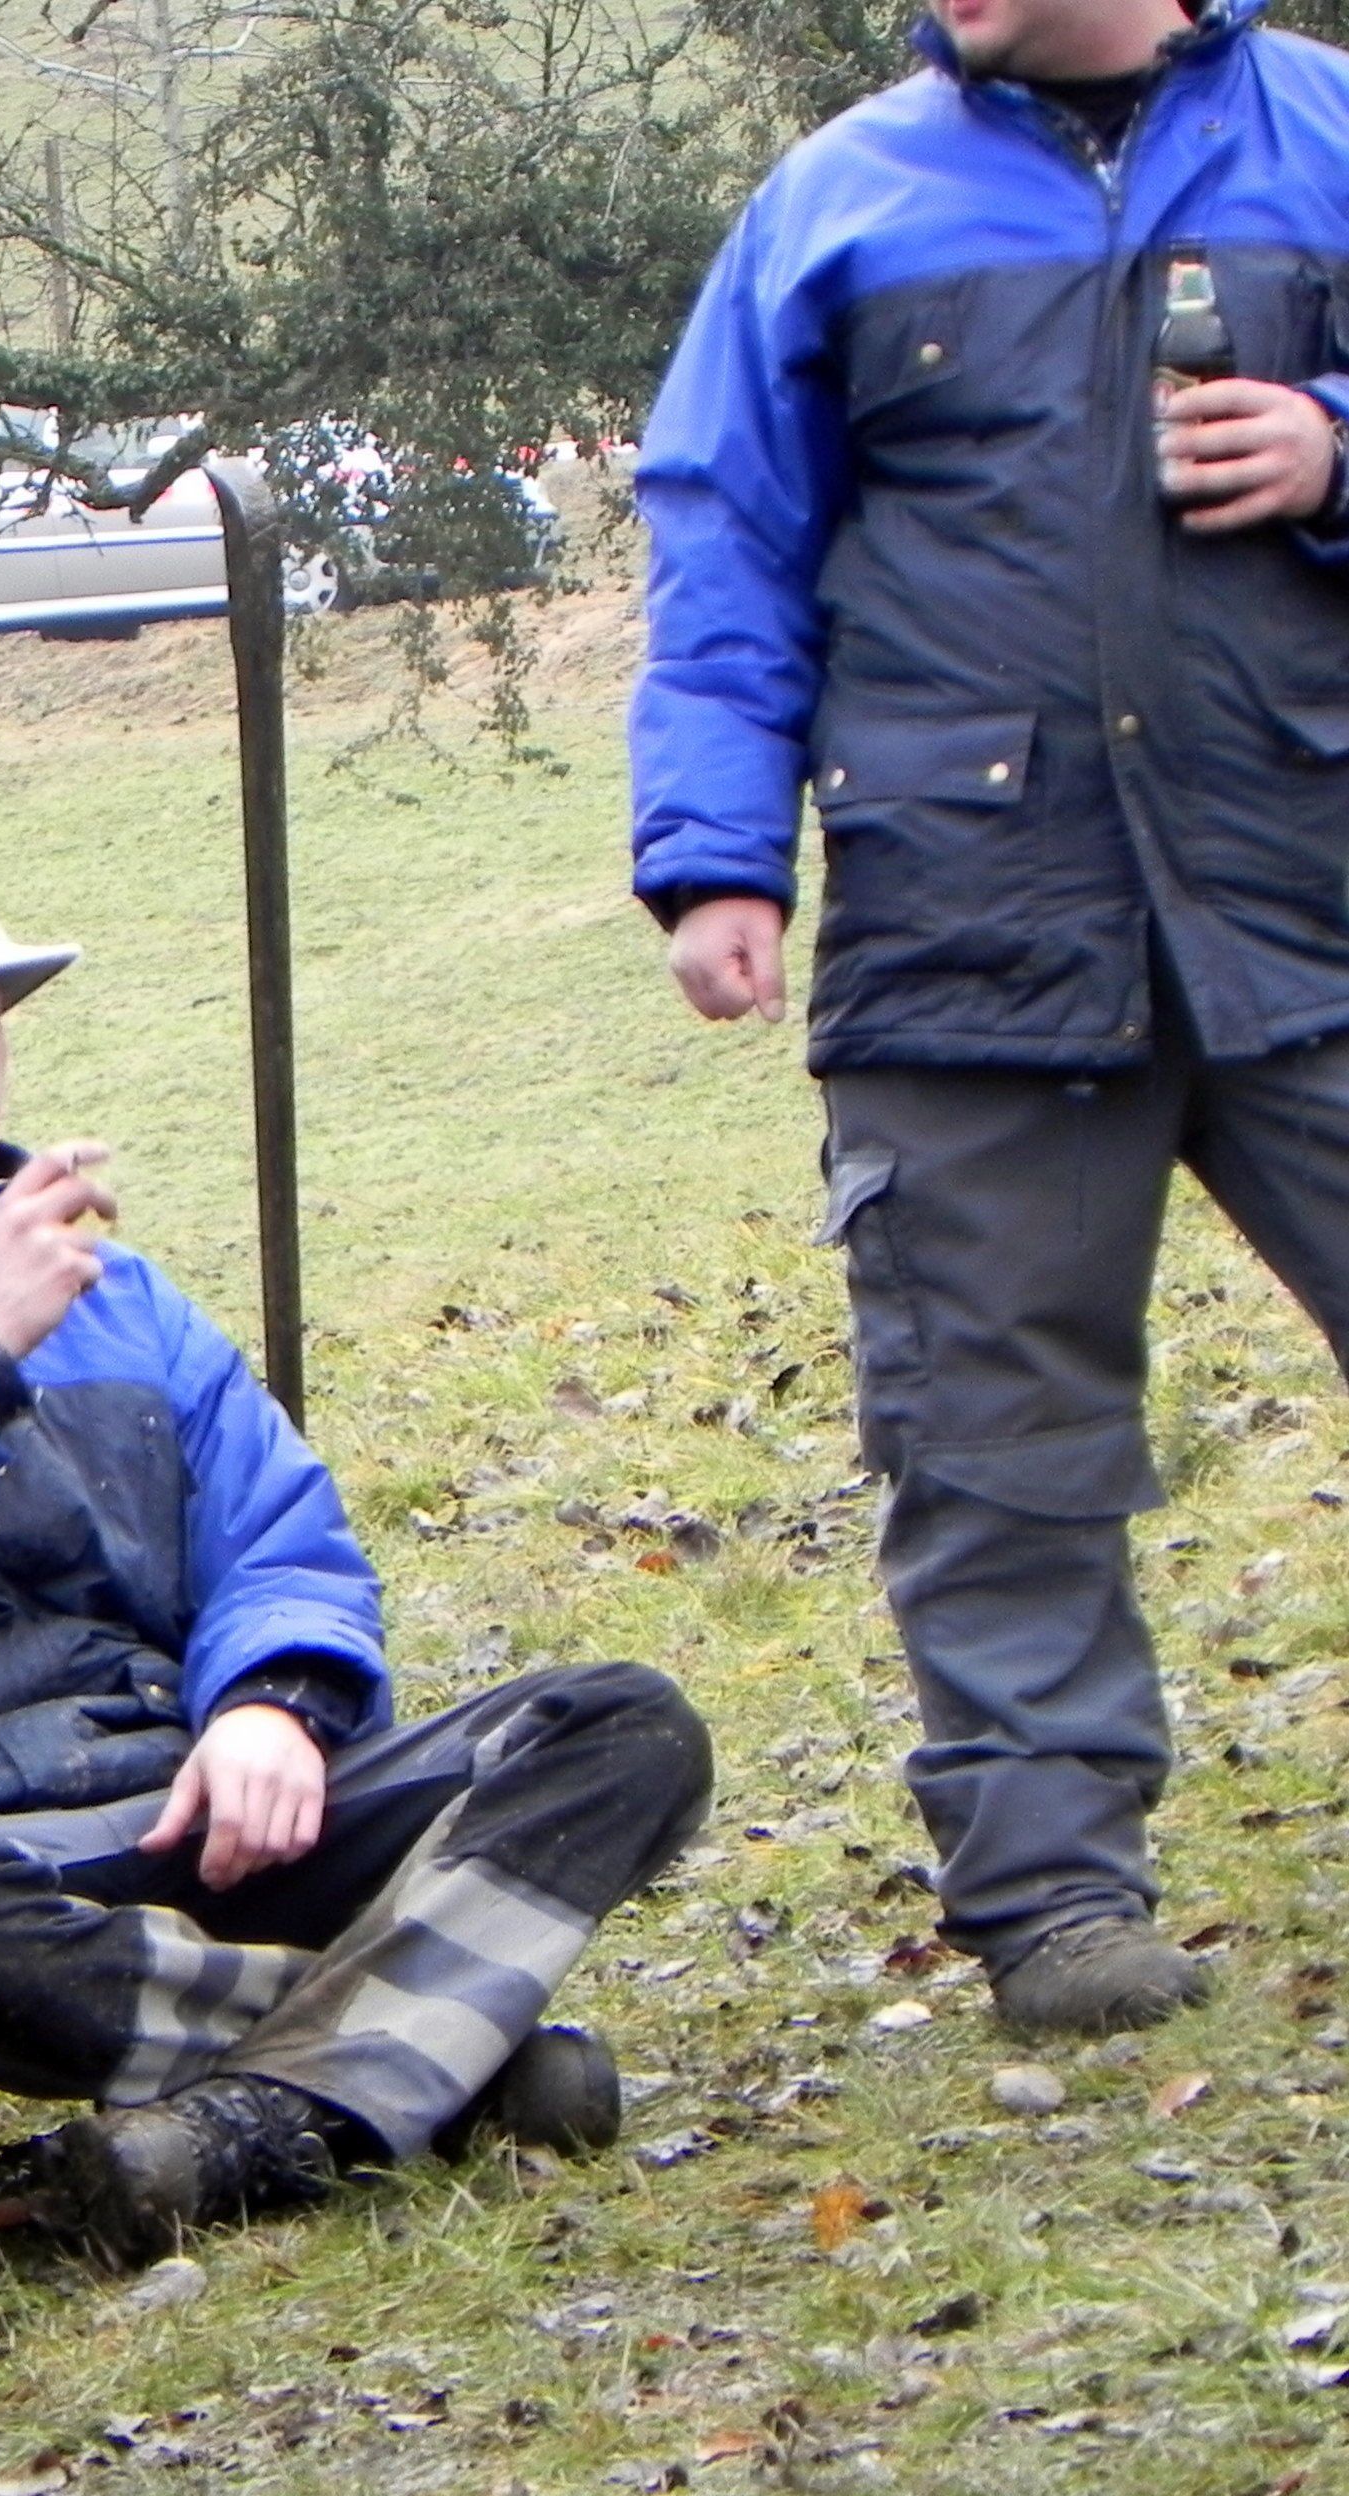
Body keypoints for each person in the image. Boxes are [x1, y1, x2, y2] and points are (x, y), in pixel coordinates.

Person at [0, 828, 716, 2268]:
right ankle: (439, 2063)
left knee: (617, 1727)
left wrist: (270, 1704)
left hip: (175, 1813)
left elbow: (281, 1539)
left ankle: (269, 2116)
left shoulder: (131, 1301)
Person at [633, 0, 1349, 2035]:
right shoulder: (835, 199)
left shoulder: (1329, 136)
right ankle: (1055, 1905)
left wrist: (1333, 449)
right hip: (968, 918)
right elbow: (725, 537)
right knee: (994, 1437)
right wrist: (715, 855)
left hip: (1314, 880)